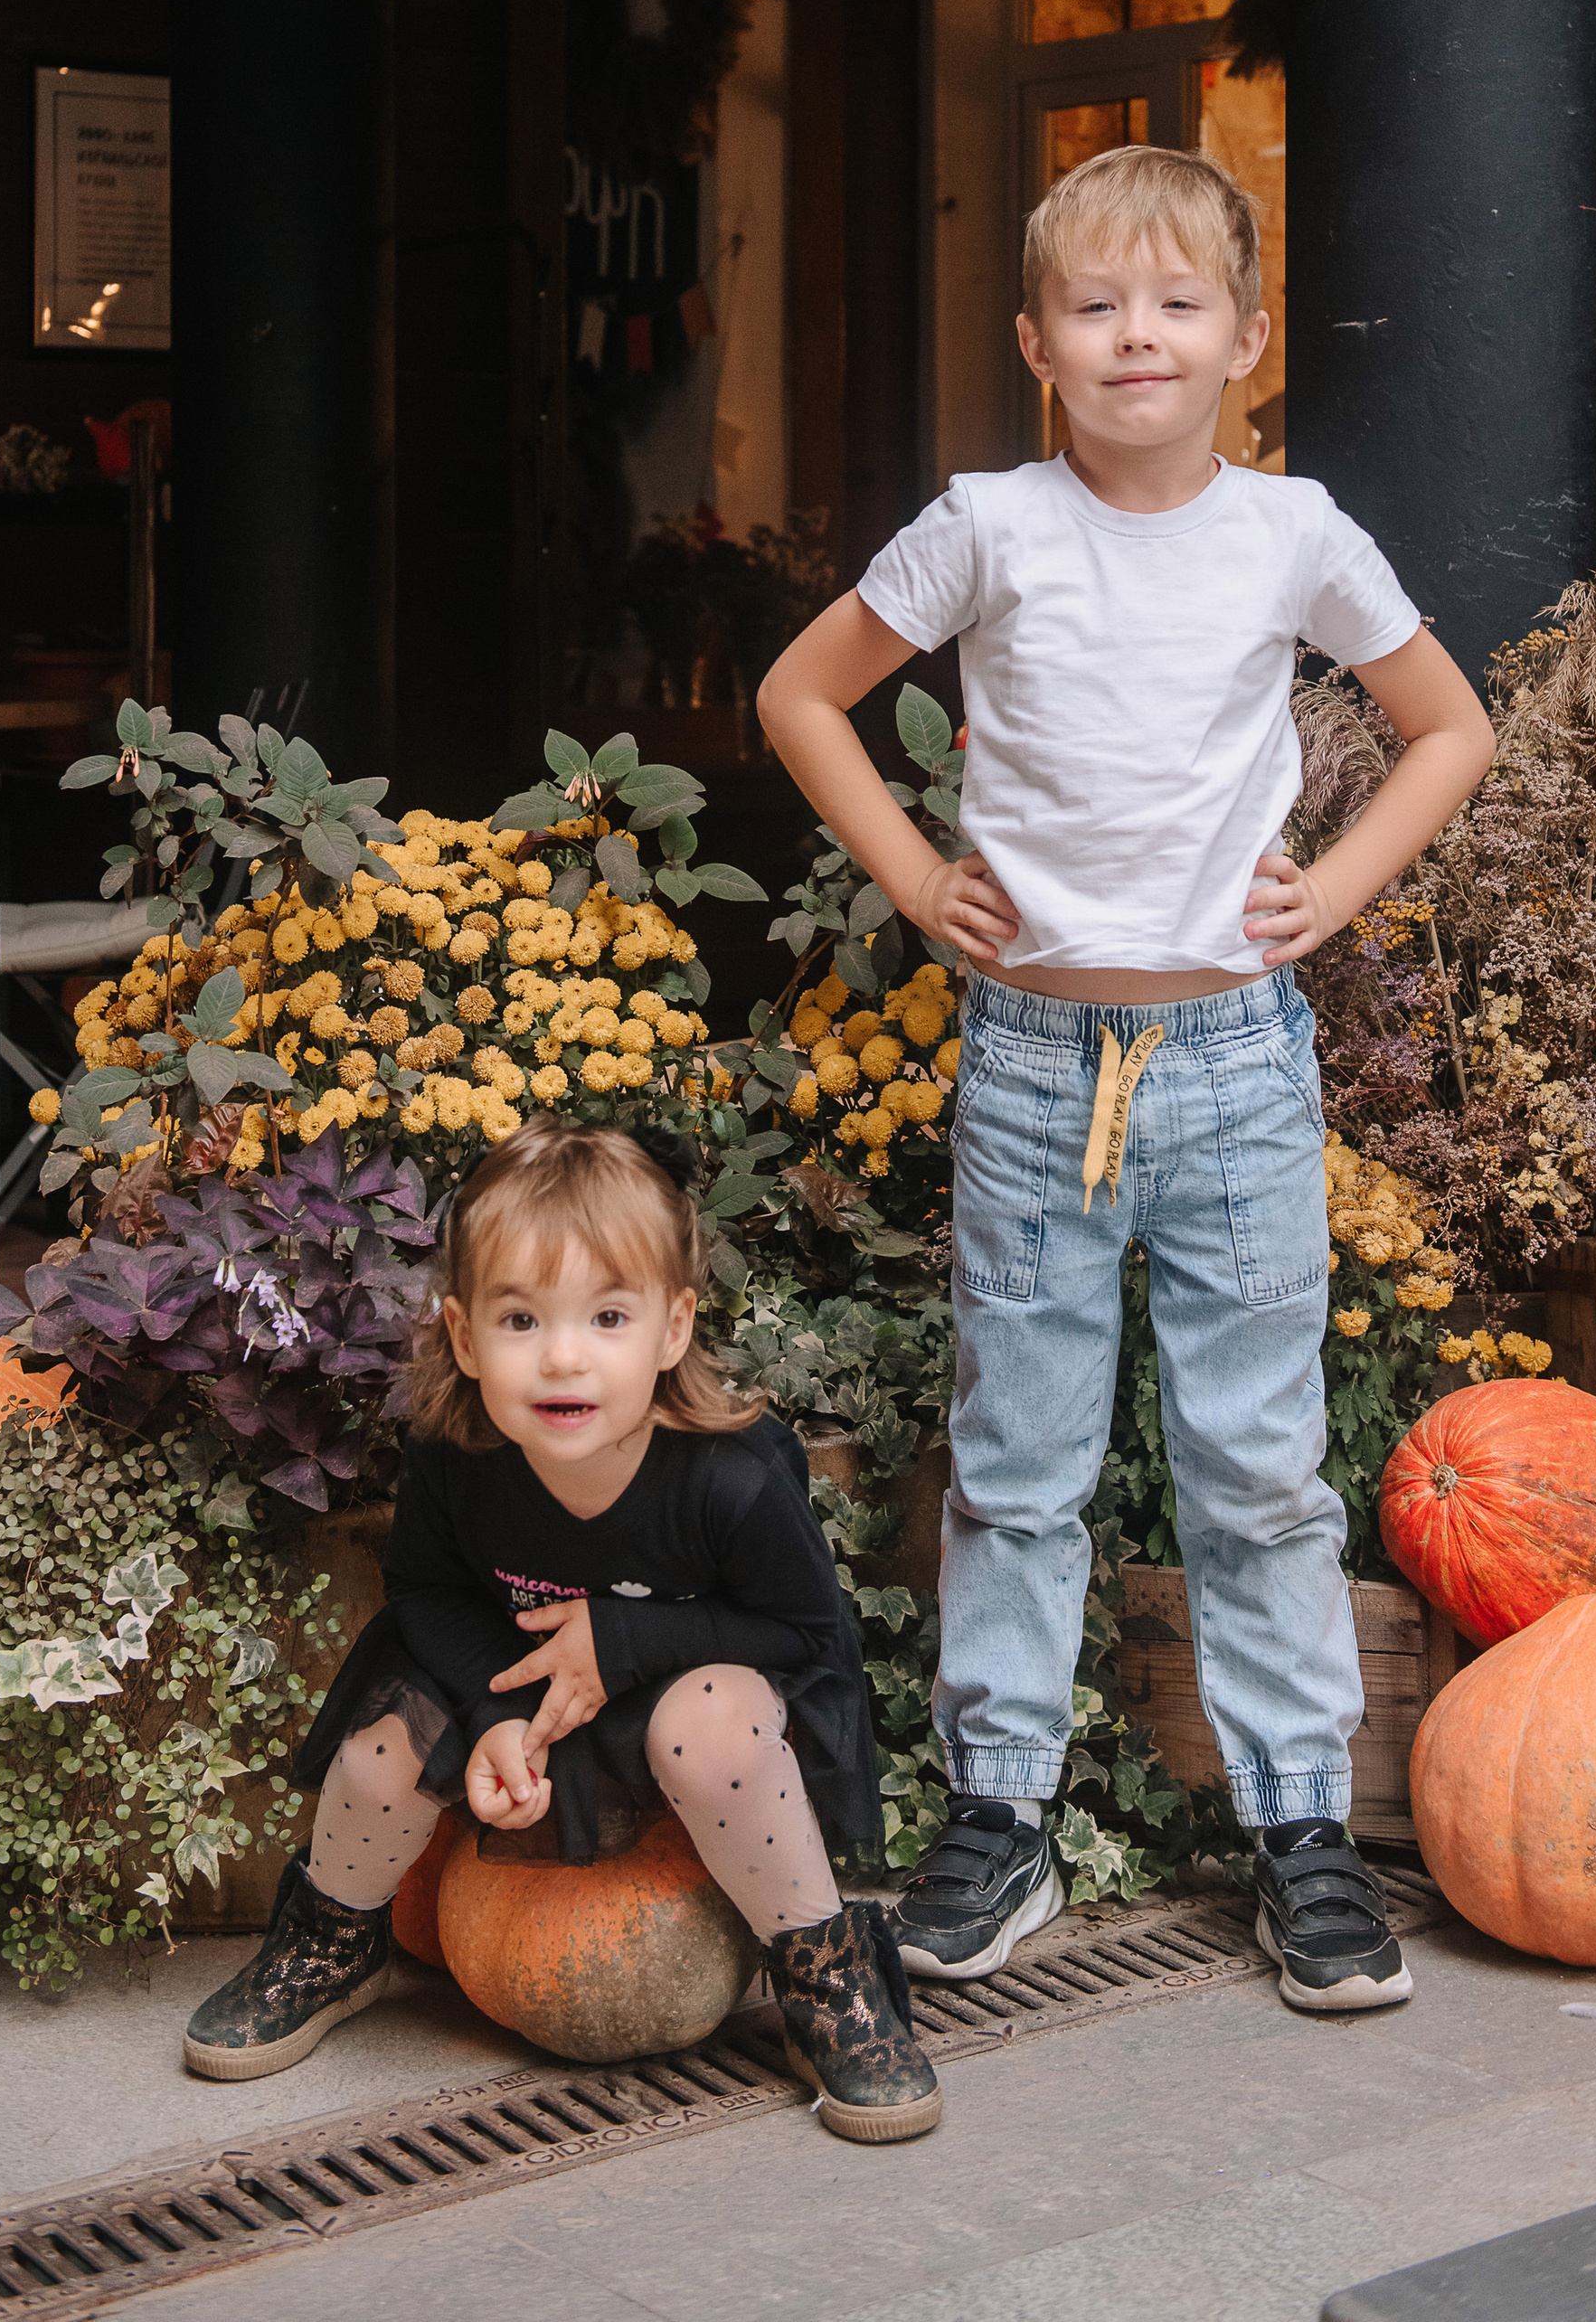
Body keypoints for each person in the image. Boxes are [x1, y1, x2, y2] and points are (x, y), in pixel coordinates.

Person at [756, 143, 1496, 2016]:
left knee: (1255, 1470)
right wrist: (918, 883)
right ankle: (997, 1818)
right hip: (1027, 1065)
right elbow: (797, 696)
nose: (1135, 336)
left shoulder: (1292, 534)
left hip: (1234, 1067)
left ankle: (1300, 1829)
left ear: (1244, 338)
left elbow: (1444, 727)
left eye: (1175, 304)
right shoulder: (987, 529)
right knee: (1016, 1465)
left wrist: (1322, 893)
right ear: (1034, 341)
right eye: (1094, 306)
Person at [182, 1117, 940, 2142]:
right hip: (515, 1681)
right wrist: (496, 1710)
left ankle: (823, 1973)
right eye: (522, 1321)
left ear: (673, 1329)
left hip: (691, 1699)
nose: (564, 1359)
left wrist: (619, 1641)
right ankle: (331, 1936)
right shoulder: (461, 1456)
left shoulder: (732, 1478)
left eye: (608, 1317)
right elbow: (426, 1595)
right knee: (379, 1752)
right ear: (463, 1336)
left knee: (711, 1728)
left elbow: (803, 1636)